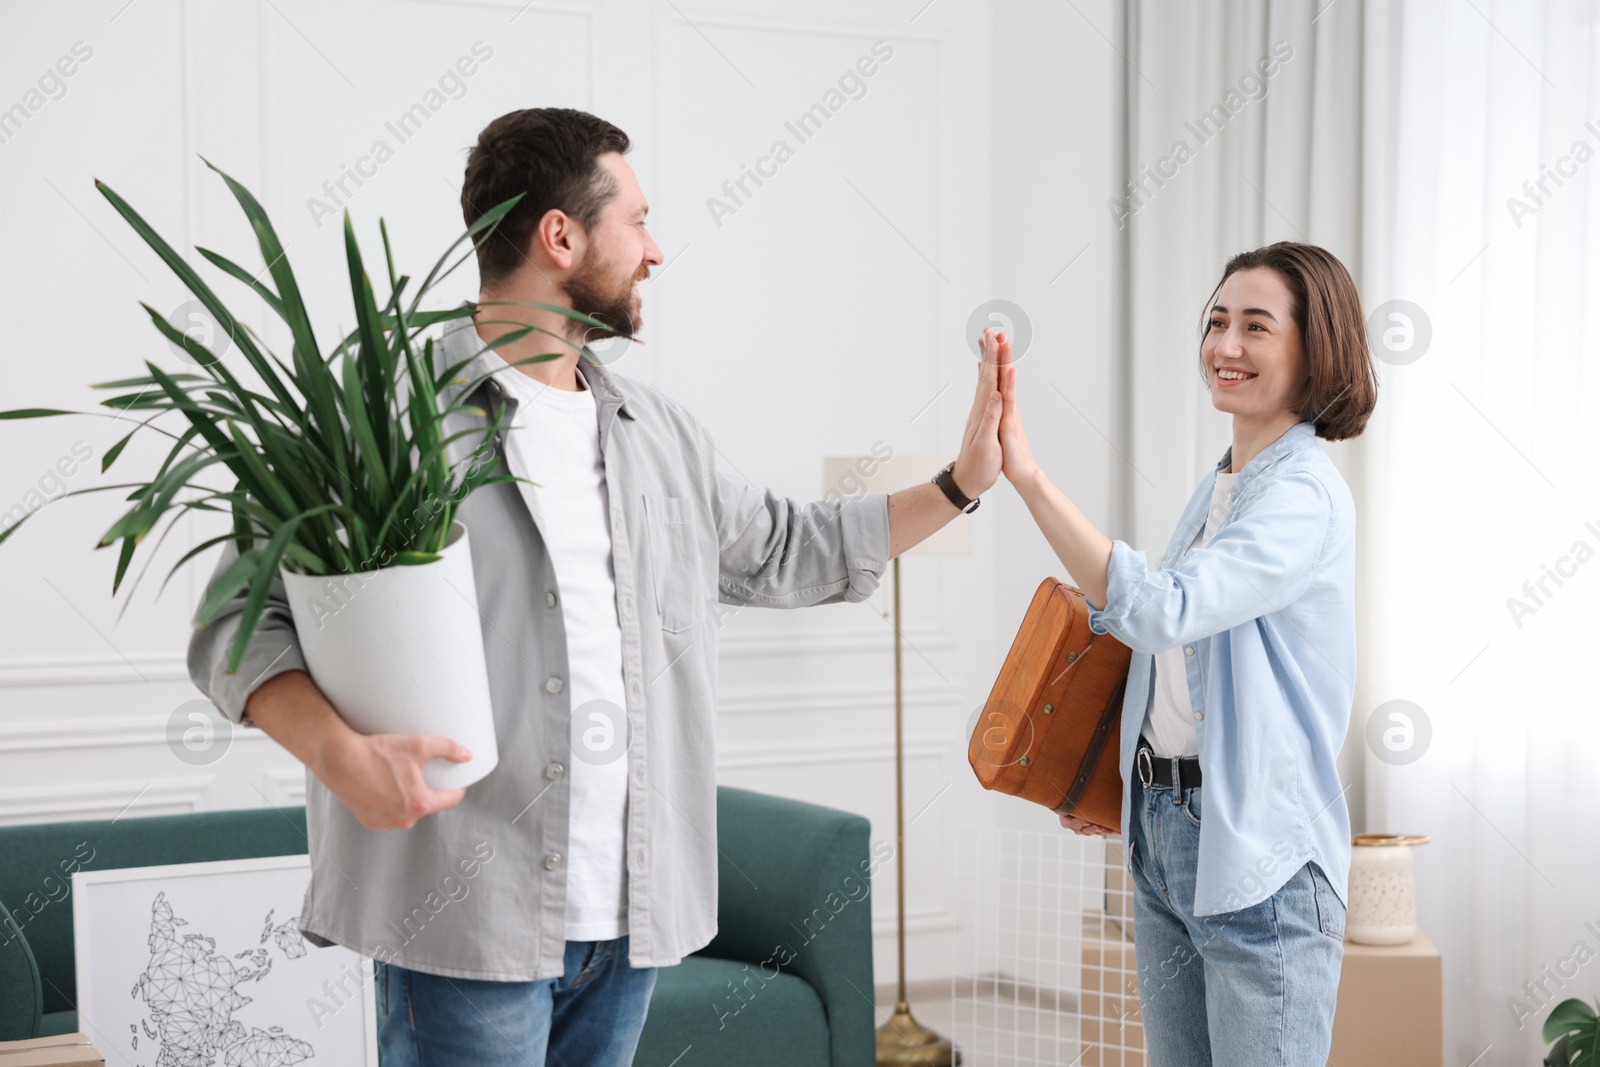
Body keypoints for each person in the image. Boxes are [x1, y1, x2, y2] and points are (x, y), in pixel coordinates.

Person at [187, 107, 1005, 1066]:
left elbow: (788, 545)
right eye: (639, 220)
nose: (655, 252)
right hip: (464, 910)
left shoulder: (658, 431)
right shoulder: (380, 410)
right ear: (560, 235)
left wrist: (960, 484)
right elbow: (238, 618)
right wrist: (341, 758)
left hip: (629, 915)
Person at [990, 242, 1377, 1065]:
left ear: (1315, 349)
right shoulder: (1225, 484)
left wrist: (1028, 478)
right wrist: (1115, 768)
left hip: (1257, 856)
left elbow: (1165, 611)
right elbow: (1177, 666)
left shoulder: (1301, 496)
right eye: (1217, 321)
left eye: (1256, 327)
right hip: (1165, 836)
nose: (1225, 346)